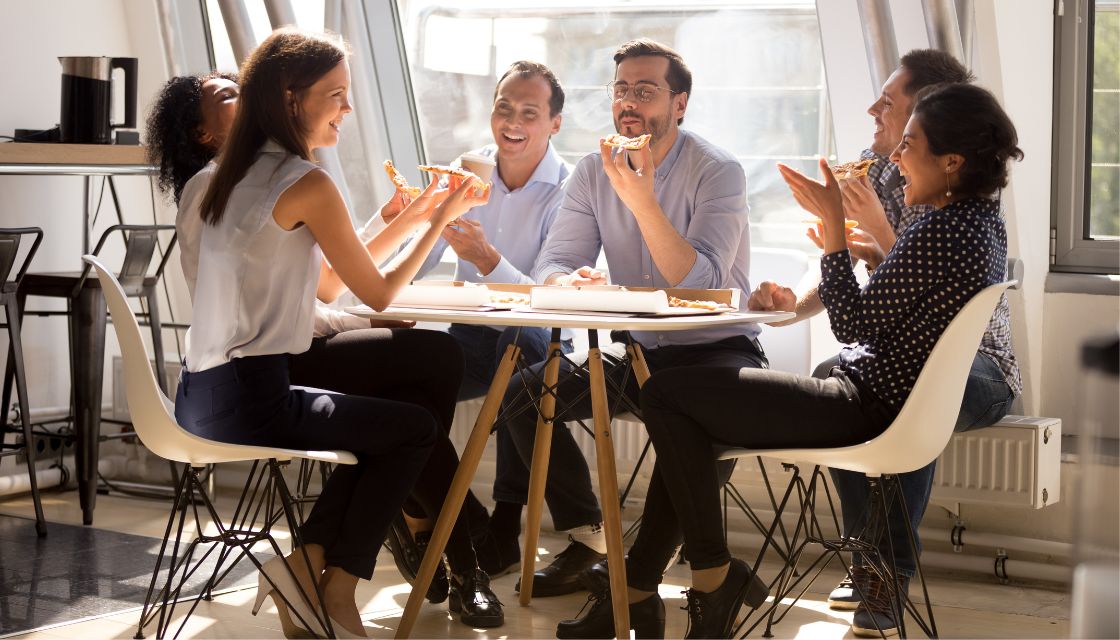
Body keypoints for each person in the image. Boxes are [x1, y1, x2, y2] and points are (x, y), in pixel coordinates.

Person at [630, 82, 1022, 638]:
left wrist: (834, 232)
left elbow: (854, 325)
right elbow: (881, 314)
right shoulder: (979, 224)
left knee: (666, 395)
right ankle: (691, 580)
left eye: (909, 145)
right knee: (683, 408)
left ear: (952, 161)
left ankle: (703, 581)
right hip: (876, 400)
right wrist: (848, 249)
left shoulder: (938, 229)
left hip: (865, 407)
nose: (894, 158)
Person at [171, 29, 499, 637]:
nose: (347, 110)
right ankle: (341, 576)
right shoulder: (305, 181)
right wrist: (442, 221)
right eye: (338, 95)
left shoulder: (206, 180)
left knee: (405, 403)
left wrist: (421, 215)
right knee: (415, 422)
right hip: (256, 396)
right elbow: (373, 296)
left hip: (195, 397)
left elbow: (323, 287)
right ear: (292, 99)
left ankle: (313, 564)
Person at [748, 49, 1021, 636]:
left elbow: (906, 286)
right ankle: (870, 558)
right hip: (907, 345)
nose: (874, 112)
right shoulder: (891, 173)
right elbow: (869, 281)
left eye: (890, 104)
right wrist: (789, 309)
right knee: (841, 367)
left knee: (909, 389)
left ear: (931, 118)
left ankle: (885, 569)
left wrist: (871, 233)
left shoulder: (944, 202)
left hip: (979, 365)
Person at [498, 37, 767, 617]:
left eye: (645, 91)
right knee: (523, 399)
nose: (628, 102)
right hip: (641, 356)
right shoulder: (594, 170)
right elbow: (555, 260)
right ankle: (589, 539)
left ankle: (633, 589)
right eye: (621, 89)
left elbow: (700, 284)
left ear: (680, 103)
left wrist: (641, 199)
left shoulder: (719, 170)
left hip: (716, 350)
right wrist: (569, 281)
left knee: (685, 414)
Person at [412, 60, 574, 577]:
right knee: (404, 380)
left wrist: (487, 260)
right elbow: (421, 260)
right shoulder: (468, 172)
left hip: (541, 336)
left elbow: (552, 297)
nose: (513, 121)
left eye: (530, 111)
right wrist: (416, 219)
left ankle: (505, 523)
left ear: (554, 124)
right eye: (504, 106)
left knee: (520, 363)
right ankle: (444, 514)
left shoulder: (570, 191)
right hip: (471, 331)